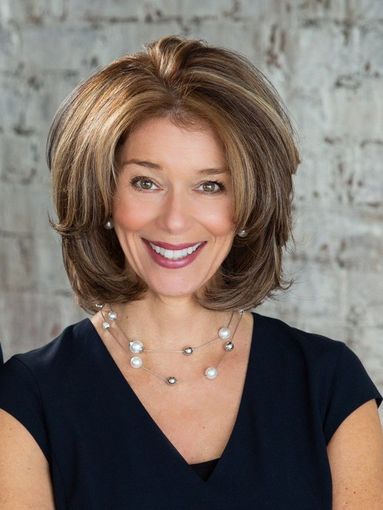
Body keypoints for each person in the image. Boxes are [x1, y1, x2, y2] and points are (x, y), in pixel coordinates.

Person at [0, 34, 382, 510]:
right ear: (101, 193)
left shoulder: (328, 384)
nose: (176, 220)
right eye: (146, 181)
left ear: (246, 203)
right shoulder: (30, 397)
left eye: (210, 185)